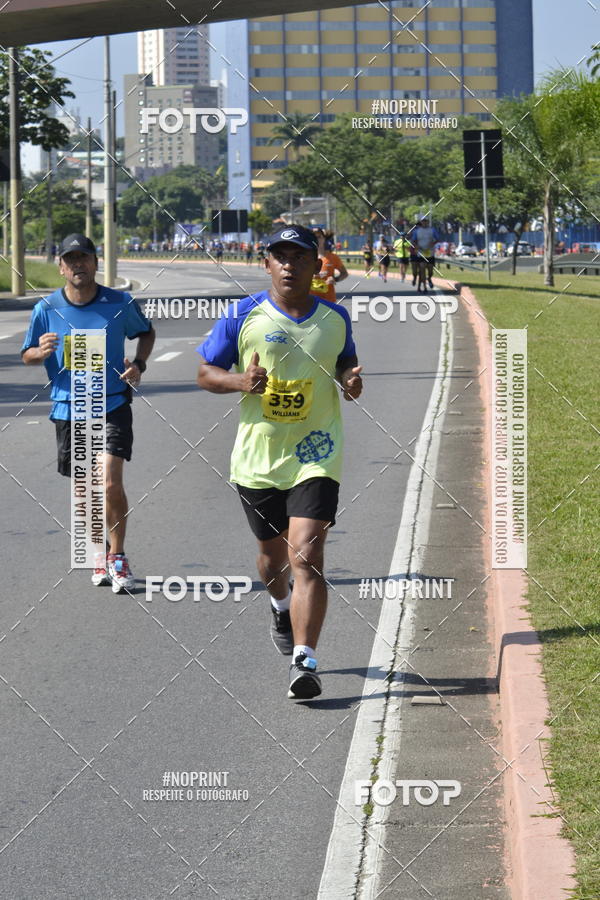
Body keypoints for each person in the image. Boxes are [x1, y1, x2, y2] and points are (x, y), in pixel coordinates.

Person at [196, 225, 362, 700]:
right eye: (279, 256)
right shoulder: (243, 314)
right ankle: (278, 604)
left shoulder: (335, 317)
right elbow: (205, 372)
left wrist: (351, 381)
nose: (289, 264)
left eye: (299, 256)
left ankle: (305, 660)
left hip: (316, 453)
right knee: (273, 560)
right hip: (258, 459)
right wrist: (238, 382)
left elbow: (346, 365)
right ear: (266, 264)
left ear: (317, 265)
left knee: (306, 552)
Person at [20, 233, 155, 592]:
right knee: (87, 489)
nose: (78, 265)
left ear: (96, 263)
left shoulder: (119, 303)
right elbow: (26, 354)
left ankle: (118, 556)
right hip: (70, 406)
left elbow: (146, 332)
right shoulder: (46, 309)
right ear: (61, 267)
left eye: (85, 258)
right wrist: (40, 351)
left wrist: (139, 363)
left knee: (110, 482)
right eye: (71, 259)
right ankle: (99, 553)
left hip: (112, 402)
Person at [309, 228, 348, 303]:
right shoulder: (306, 257)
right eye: (315, 237)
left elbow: (344, 273)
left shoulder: (333, 257)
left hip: (329, 300)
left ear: (324, 239)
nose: (317, 239)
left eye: (319, 237)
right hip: (310, 302)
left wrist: (334, 279)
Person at [411, 217, 440, 290]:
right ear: (421, 222)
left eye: (426, 221)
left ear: (428, 222)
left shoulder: (432, 230)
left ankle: (429, 278)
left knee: (430, 270)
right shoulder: (417, 231)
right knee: (422, 268)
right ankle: (424, 287)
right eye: (423, 221)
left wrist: (433, 243)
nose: (424, 223)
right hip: (421, 252)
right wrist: (416, 245)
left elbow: (438, 239)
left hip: (430, 252)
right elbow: (413, 240)